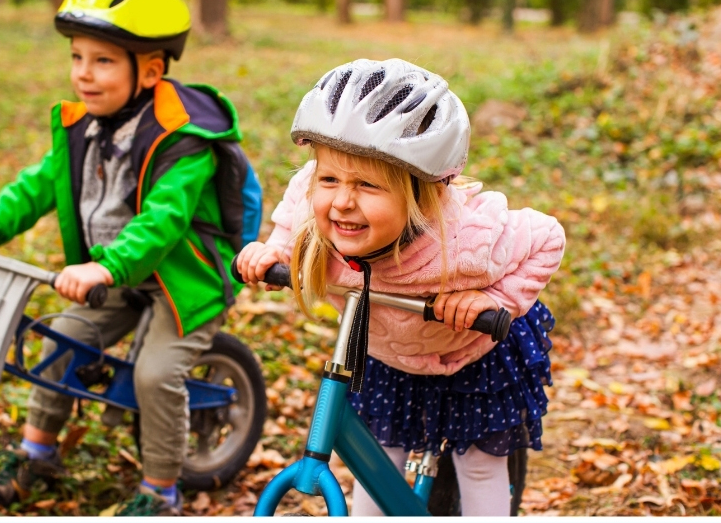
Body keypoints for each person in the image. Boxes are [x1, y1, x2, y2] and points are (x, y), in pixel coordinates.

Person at [0, 0, 263, 516]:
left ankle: (160, 491)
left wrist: (105, 267)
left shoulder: (184, 142)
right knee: (59, 341)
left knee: (155, 374)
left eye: (103, 60)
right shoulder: (84, 129)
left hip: (183, 281)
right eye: (77, 57)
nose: (84, 75)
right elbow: (36, 187)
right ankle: (37, 454)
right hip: (117, 277)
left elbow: (161, 223)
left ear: (150, 71)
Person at [234, 58, 565, 516]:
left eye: (368, 185)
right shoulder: (313, 198)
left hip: (471, 354)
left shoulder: (467, 241)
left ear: (420, 195)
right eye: (330, 178)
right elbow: (298, 207)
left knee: (480, 466)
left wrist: (491, 300)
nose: (343, 201)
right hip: (389, 356)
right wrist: (277, 248)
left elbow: (548, 237)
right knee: (376, 457)